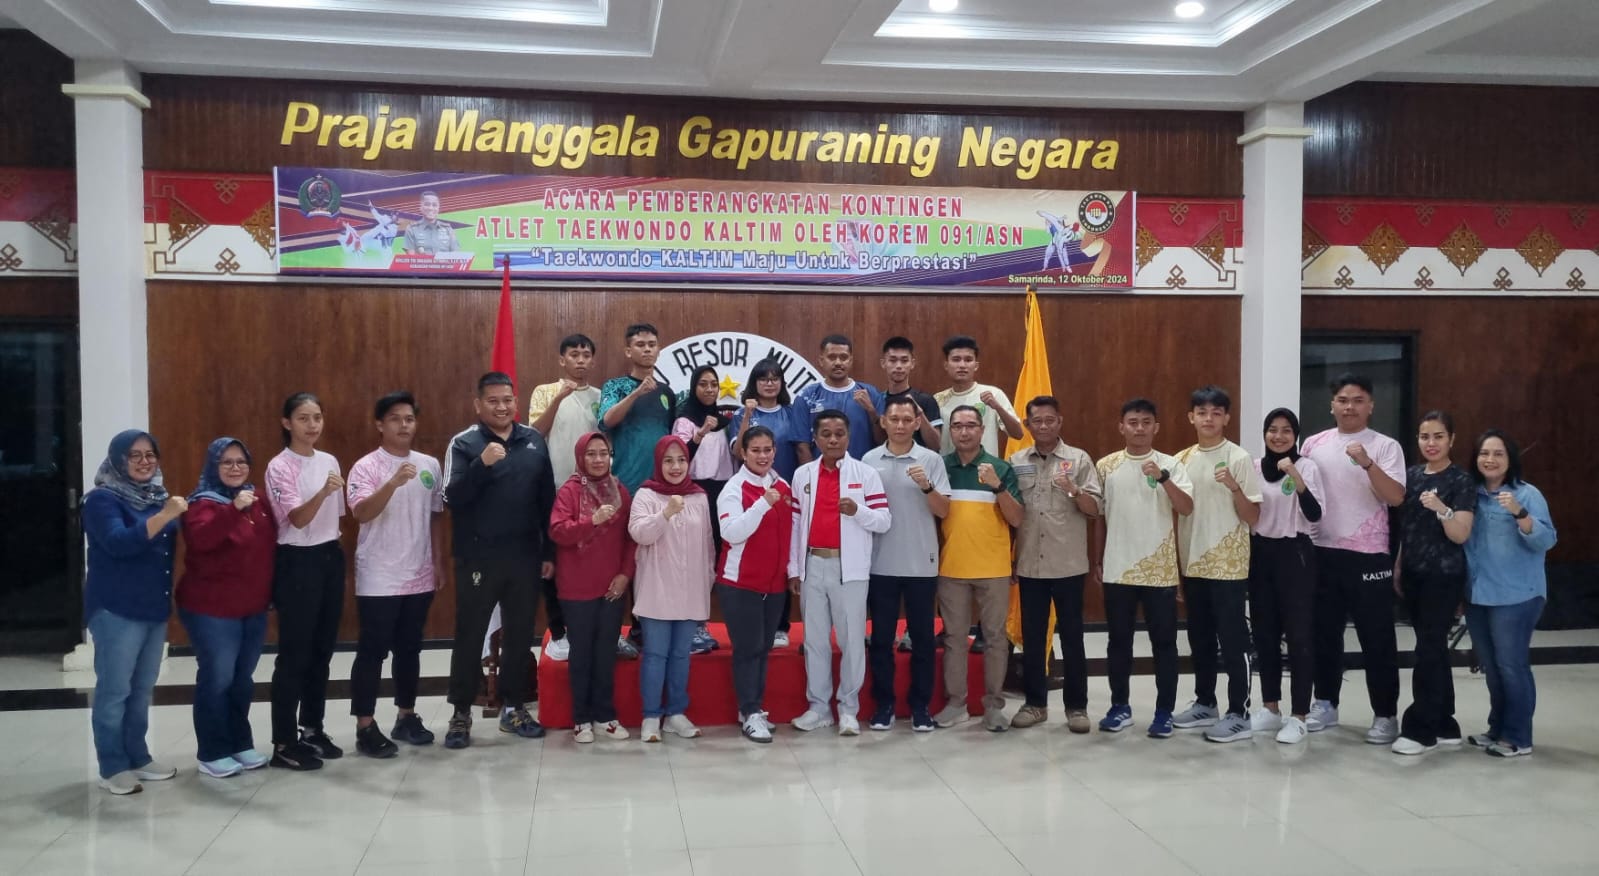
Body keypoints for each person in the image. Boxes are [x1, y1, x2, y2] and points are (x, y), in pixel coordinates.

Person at [442, 372, 557, 748]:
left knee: (520, 634)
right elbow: (451, 497)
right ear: (478, 405)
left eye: (507, 399)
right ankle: (461, 713)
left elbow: (547, 501)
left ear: (515, 401)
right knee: (470, 634)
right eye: (493, 400)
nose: (502, 407)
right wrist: (481, 465)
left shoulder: (533, 440)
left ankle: (514, 707)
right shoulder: (464, 443)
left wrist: (548, 552)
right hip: (478, 556)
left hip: (524, 555)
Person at [1301, 373, 1406, 743]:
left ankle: (1385, 714)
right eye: (1343, 400)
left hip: (1369, 555)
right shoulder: (1313, 444)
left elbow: (1396, 497)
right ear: (1332, 405)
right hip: (1322, 551)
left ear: (1371, 405)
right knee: (1323, 635)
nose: (1350, 407)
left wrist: (1367, 464)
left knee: (1377, 638)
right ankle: (1325, 703)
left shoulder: (1385, 446)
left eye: (1358, 400)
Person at [82, 430, 184, 794]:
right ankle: (112, 766)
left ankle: (137, 756)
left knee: (141, 689)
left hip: (152, 607)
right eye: (134, 455)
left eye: (150, 454)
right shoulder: (101, 500)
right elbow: (119, 543)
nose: (144, 462)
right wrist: (167, 515)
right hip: (116, 609)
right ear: (117, 460)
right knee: (115, 690)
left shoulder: (156, 497)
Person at [345, 391, 445, 758]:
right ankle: (365, 725)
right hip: (379, 575)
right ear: (379, 425)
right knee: (372, 651)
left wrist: (437, 562)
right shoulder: (366, 467)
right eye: (395, 419)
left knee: (409, 648)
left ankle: (406, 715)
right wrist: (391, 483)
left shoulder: (429, 465)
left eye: (409, 419)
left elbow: (436, 516)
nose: (404, 425)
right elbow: (361, 513)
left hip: (419, 572)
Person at [1092, 398, 1194, 738]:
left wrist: (1163, 478)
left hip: (1159, 570)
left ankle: (1164, 712)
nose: (1139, 428)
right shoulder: (1106, 466)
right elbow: (1099, 517)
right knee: (1118, 641)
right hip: (1118, 567)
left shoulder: (1172, 464)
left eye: (1146, 422)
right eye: (1132, 422)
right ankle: (1119, 706)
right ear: (1121, 427)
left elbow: (1186, 507)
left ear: (1156, 427)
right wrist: (1098, 559)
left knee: (1164, 643)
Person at [788, 410, 892, 736]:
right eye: (826, 434)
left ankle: (848, 708)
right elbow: (795, 525)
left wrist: (858, 510)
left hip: (850, 569)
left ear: (848, 436)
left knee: (851, 641)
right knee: (815, 641)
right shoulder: (803, 475)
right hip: (812, 565)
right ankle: (819, 708)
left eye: (839, 434)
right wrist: (794, 568)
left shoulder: (865, 473)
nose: (833, 440)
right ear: (815, 438)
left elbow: (883, 521)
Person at [177, 437, 276, 778]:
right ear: (213, 466)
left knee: (242, 679)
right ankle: (212, 751)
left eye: (241, 462)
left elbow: (270, 546)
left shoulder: (257, 498)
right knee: (218, 678)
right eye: (227, 462)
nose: (235, 468)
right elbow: (203, 540)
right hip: (211, 609)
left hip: (252, 606)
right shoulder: (202, 504)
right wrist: (232, 510)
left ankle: (239, 742)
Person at [1171, 386, 1262, 743]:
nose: (1208, 419)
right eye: (1202, 412)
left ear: (1226, 417)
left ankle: (1239, 713)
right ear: (1191, 417)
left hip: (1229, 566)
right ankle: (1205, 703)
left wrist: (1235, 488)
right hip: (1193, 562)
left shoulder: (1238, 457)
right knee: (1200, 639)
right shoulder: (1181, 459)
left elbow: (1253, 517)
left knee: (1233, 640)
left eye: (1216, 412)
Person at [1008, 396, 1102, 733]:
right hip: (1030, 564)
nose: (1044, 426)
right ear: (1027, 425)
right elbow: (1009, 513)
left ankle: (1077, 708)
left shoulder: (1079, 459)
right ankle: (1036, 704)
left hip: (1068, 564)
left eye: (1050, 420)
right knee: (1033, 639)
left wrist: (1074, 490)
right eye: (1037, 421)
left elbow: (1094, 510)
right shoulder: (1016, 461)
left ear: (1060, 422)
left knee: (1073, 638)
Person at [265, 392, 347, 770]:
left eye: (317, 417)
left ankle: (312, 728)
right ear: (287, 423)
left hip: (329, 555)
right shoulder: (280, 466)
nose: (312, 425)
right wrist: (324, 491)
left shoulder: (328, 460)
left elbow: (336, 517)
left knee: (322, 651)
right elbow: (297, 519)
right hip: (297, 560)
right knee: (295, 654)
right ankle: (284, 741)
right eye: (303, 418)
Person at [1464, 430, 1556, 758]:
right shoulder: (1471, 494)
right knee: (1492, 666)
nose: (1490, 459)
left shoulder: (1527, 494)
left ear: (1510, 459)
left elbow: (1547, 540)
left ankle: (1518, 737)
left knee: (1511, 665)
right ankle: (1497, 728)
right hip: (1478, 594)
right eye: (1484, 453)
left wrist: (1520, 513)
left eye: (1498, 454)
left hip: (1517, 596)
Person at [1391, 411, 1477, 755]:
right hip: (1414, 572)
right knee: (1434, 647)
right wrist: (1399, 564)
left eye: (1438, 436)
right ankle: (1445, 722)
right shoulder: (1412, 476)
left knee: (1427, 648)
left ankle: (1420, 729)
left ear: (1451, 439)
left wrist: (1442, 508)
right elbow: (1407, 528)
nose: (1431, 443)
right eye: (1425, 436)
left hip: (1443, 575)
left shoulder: (1461, 480)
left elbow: (1460, 534)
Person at [863, 396, 950, 732]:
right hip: (880, 563)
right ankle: (884, 704)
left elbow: (944, 511)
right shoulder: (869, 460)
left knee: (923, 641)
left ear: (917, 423)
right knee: (881, 640)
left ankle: (920, 707)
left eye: (906, 420)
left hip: (921, 565)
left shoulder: (931, 460)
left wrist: (926, 486)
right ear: (883, 422)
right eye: (894, 419)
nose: (900, 425)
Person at [935, 405, 1024, 732]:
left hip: (993, 568)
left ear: (982, 429)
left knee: (996, 639)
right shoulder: (941, 466)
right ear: (950, 431)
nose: (964, 431)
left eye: (970, 425)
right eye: (957, 426)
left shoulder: (1000, 468)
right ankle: (956, 704)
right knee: (955, 639)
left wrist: (998, 486)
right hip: (952, 567)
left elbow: (1017, 519)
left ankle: (994, 707)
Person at [549, 432, 635, 743]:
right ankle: (581, 719)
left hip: (612, 588)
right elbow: (558, 531)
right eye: (591, 454)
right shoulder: (569, 491)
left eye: (603, 453)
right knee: (582, 654)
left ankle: (605, 716)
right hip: (576, 588)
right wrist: (592, 521)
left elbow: (630, 539)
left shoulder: (620, 490)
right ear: (580, 457)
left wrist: (625, 575)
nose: (598, 460)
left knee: (605, 653)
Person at [630, 436, 717, 741]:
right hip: (656, 588)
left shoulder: (699, 497)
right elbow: (639, 534)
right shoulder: (646, 494)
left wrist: (707, 580)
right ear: (658, 463)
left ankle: (676, 713)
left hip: (690, 588)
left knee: (681, 655)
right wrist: (665, 513)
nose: (676, 466)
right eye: (668, 460)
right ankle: (651, 716)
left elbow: (707, 542)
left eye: (681, 460)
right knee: (656, 654)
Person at [716, 427, 800, 742]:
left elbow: (791, 533)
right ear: (743, 453)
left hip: (774, 585)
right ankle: (750, 711)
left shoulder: (782, 485)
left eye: (768, 450)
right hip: (740, 583)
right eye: (755, 450)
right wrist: (763, 504)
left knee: (763, 649)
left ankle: (751, 708)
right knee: (748, 648)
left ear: (775, 451)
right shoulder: (733, 489)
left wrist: (792, 571)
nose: (762, 456)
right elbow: (732, 532)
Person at [1248, 409, 1324, 744]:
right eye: (1273, 430)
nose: (1279, 436)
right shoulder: (1254, 467)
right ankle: (1270, 708)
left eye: (1287, 430)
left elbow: (1315, 514)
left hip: (1295, 554)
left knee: (1299, 636)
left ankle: (1300, 715)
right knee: (1264, 634)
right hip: (1260, 553)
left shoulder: (1306, 466)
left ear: (1296, 435)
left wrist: (1295, 474)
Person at [600, 323, 676, 655]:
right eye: (640, 344)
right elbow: (607, 421)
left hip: (659, 490)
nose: (647, 349)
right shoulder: (615, 386)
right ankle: (615, 632)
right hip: (625, 488)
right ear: (628, 351)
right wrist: (636, 393)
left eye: (652, 344)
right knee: (622, 562)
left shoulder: (668, 392)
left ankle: (646, 628)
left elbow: (671, 438)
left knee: (654, 561)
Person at [527, 333, 602, 662]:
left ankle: (593, 629)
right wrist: (560, 397)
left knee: (591, 563)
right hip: (554, 491)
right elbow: (535, 434)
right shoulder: (544, 391)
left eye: (586, 355)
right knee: (552, 565)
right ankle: (558, 633)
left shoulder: (601, 396)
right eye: (574, 354)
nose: (581, 360)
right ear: (562, 360)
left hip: (595, 496)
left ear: (593, 360)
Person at [729, 357, 812, 648]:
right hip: (753, 495)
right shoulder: (741, 413)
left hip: (786, 494)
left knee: (784, 555)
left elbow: (802, 449)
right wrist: (748, 415)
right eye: (763, 378)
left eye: (775, 378)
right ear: (754, 382)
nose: (769, 383)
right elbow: (738, 452)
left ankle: (781, 625)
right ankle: (756, 622)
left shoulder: (791, 412)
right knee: (758, 554)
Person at [672, 365, 735, 655]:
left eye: (713, 384)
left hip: (722, 494)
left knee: (715, 559)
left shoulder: (724, 421)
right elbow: (679, 457)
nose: (709, 389)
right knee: (694, 559)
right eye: (703, 384)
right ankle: (690, 626)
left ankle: (701, 623)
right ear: (693, 387)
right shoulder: (685, 420)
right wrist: (700, 434)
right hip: (695, 492)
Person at [795, 335, 886, 461]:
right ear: (821, 360)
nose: (838, 363)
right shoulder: (806, 396)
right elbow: (802, 446)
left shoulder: (871, 393)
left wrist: (871, 411)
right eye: (832, 357)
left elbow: (883, 441)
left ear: (851, 360)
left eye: (843, 357)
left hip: (862, 469)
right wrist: (812, 472)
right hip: (822, 471)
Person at [934, 335, 1023, 456]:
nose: (962, 365)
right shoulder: (937, 399)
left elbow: (1018, 434)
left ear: (976, 365)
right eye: (956, 359)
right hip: (948, 466)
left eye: (968, 360)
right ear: (946, 365)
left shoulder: (994, 394)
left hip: (985, 467)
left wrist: (997, 407)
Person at [878, 336, 943, 450]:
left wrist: (919, 413)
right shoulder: (878, 400)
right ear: (883, 363)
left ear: (912, 363)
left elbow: (936, 445)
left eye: (904, 361)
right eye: (893, 360)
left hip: (919, 461)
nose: (899, 366)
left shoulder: (925, 400)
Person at [401, 190, 459, 255]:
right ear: (421, 207)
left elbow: (455, 257)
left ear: (438, 208)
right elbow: (410, 259)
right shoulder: (412, 229)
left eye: (434, 205)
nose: (431, 208)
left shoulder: (448, 229)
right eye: (427, 204)